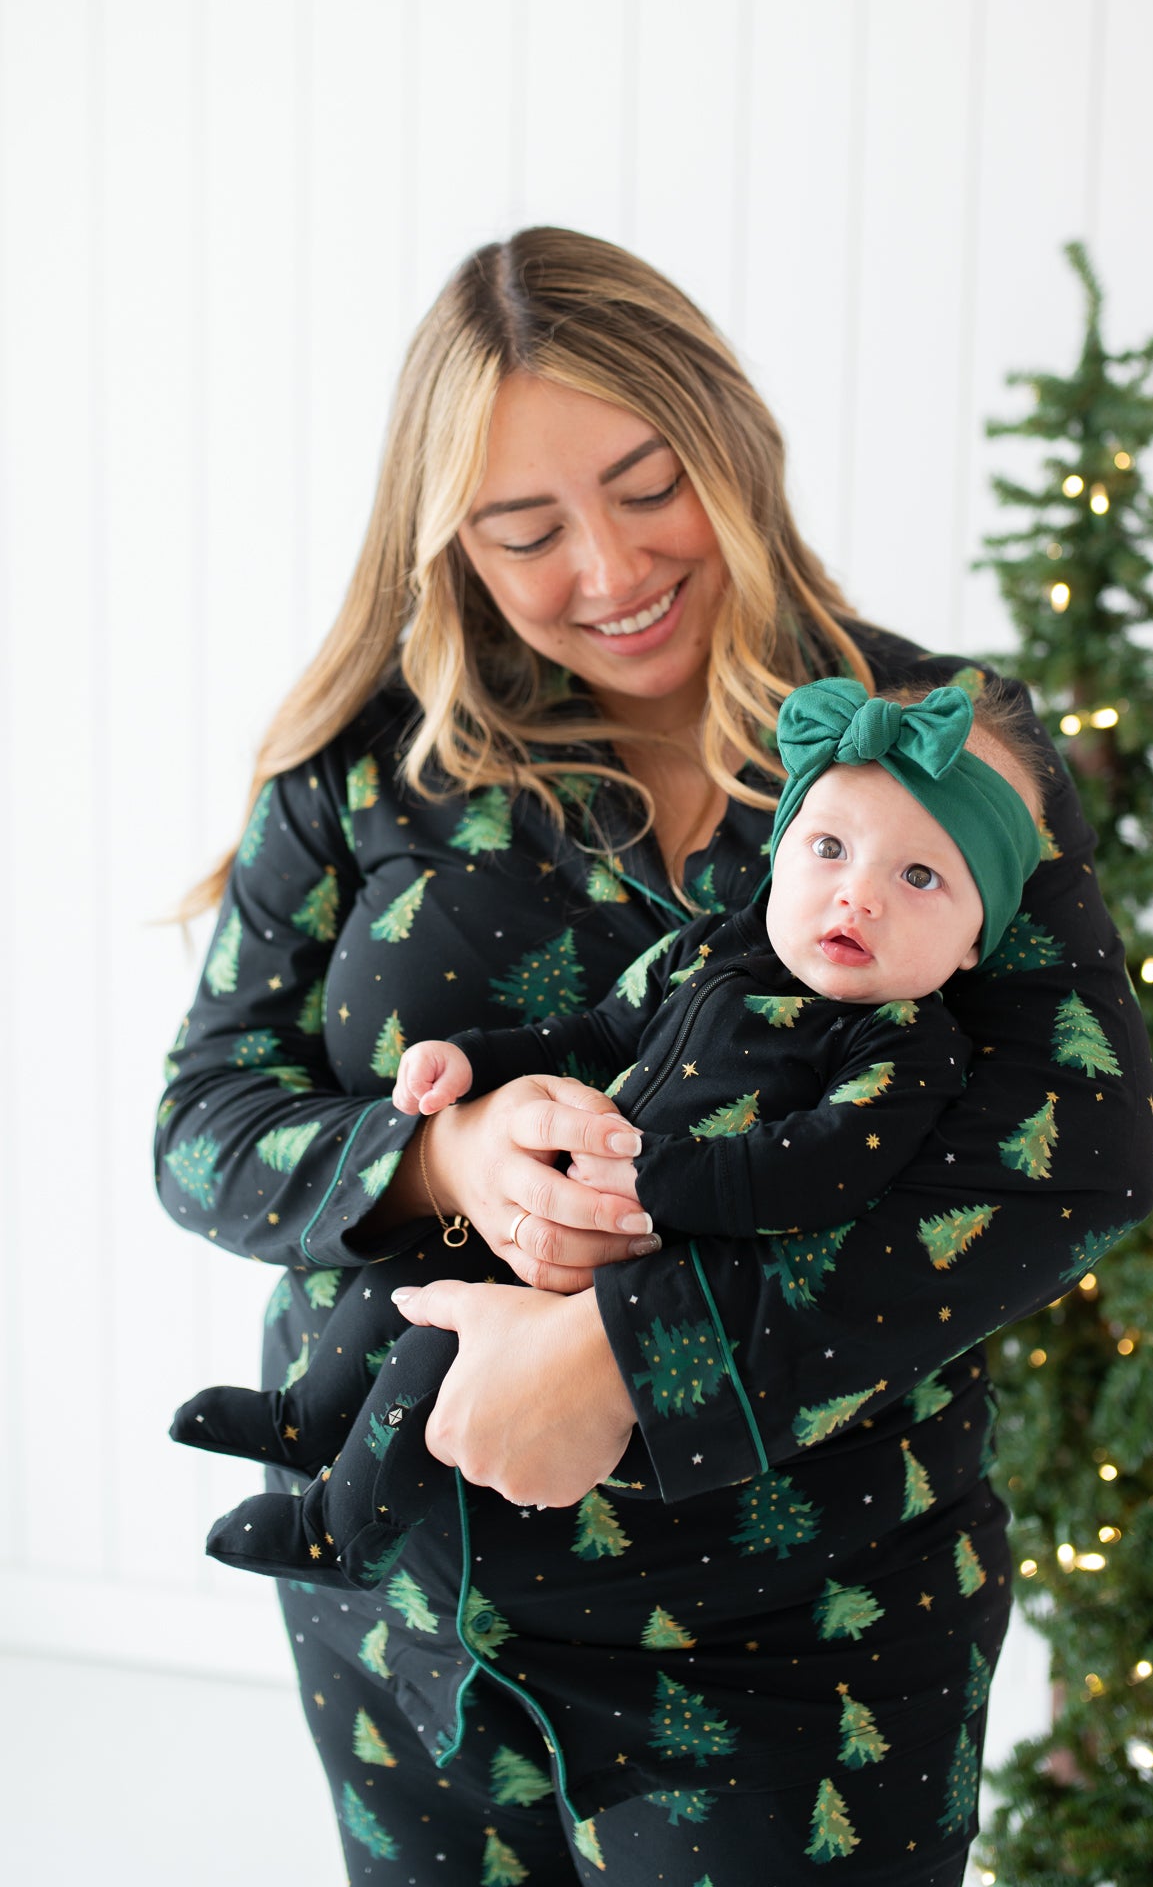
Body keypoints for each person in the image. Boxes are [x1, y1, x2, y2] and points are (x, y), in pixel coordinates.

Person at [155, 227, 1153, 1886]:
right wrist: (435, 1159)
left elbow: (1077, 1146)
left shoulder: (943, 748)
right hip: (407, 1619)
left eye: (647, 486)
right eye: (526, 527)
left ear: (731, 445)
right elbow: (202, 1123)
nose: (609, 570)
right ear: (450, 541)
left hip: (806, 1642)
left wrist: (641, 1354)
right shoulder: (360, 772)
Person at [170, 677, 1047, 1597]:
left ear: (970, 945)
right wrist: (471, 1066)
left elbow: (814, 1172)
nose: (857, 896)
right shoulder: (706, 954)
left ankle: (341, 1529)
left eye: (919, 877)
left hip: (633, 1259)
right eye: (830, 848)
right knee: (407, 1274)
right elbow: (590, 1036)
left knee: (438, 1347)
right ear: (783, 853)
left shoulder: (904, 1045)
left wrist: (653, 1180)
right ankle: (308, 1417)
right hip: (562, 1194)